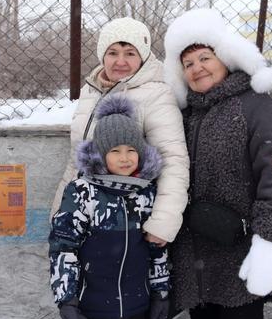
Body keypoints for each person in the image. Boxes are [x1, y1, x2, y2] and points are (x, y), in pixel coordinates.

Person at [162, 8, 272, 319]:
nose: (197, 68)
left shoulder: (256, 106)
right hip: (194, 255)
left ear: (224, 57)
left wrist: (269, 241)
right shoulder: (185, 114)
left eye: (205, 57)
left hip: (240, 251)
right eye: (188, 63)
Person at [51, 17, 188, 248]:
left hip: (125, 219)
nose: (120, 61)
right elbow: (76, 160)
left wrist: (163, 221)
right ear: (102, 55)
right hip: (84, 211)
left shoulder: (156, 95)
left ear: (143, 56)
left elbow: (173, 160)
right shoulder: (91, 90)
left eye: (130, 53)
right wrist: (61, 209)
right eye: (113, 52)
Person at [49, 94, 169, 319]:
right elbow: (63, 248)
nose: (124, 158)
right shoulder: (83, 191)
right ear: (100, 154)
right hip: (91, 309)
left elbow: (158, 249)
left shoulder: (146, 192)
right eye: (115, 150)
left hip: (137, 308)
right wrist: (67, 300)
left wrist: (161, 292)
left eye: (131, 150)